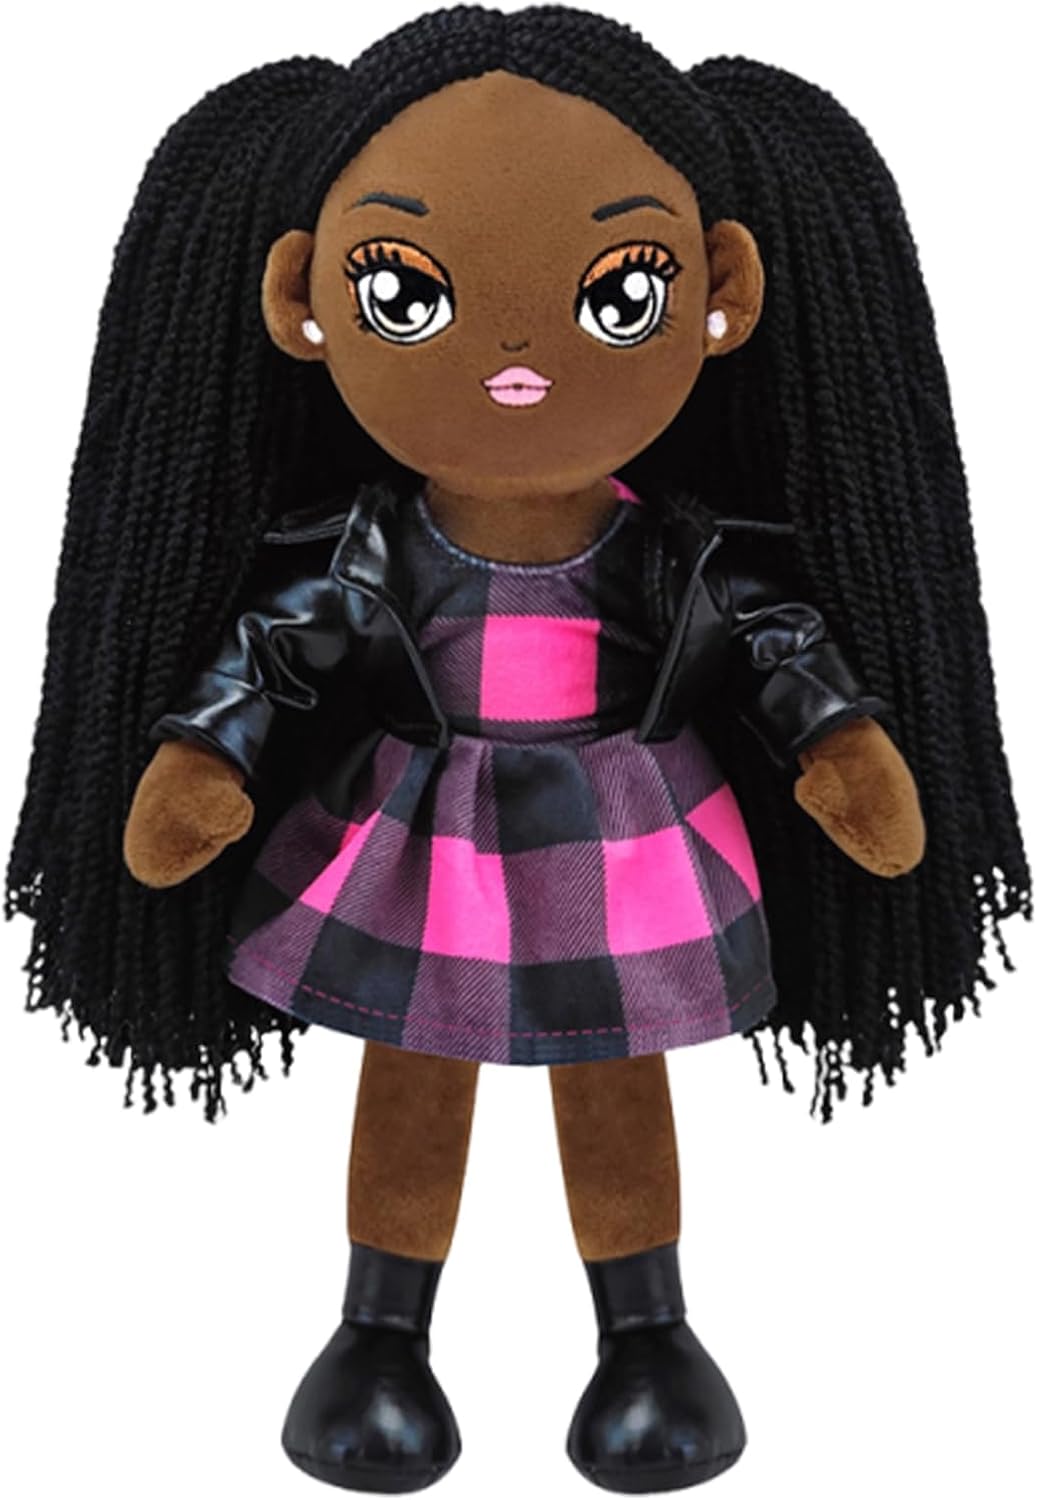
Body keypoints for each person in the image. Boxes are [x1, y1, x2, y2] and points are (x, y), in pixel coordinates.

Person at [5, 5, 1028, 1493]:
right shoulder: (369, 546)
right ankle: (380, 1332)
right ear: (301, 301)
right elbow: (278, 646)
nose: (512, 354)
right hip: (424, 831)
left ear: (722, 292)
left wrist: (838, 738)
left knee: (610, 1073)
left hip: (623, 831)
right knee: (417, 1068)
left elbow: (776, 640)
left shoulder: (673, 546)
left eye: (621, 292)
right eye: (402, 291)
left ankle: (645, 1333)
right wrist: (206, 757)